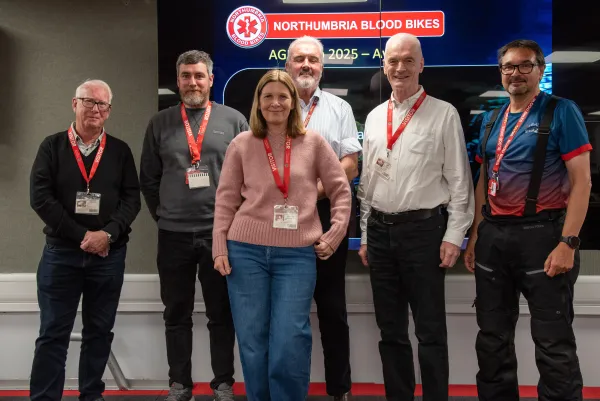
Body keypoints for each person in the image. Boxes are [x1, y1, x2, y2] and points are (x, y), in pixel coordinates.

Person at [463, 39, 592, 401]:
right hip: (494, 237)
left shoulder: (560, 111)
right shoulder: (491, 119)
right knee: (492, 339)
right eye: (509, 67)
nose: (515, 73)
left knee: (553, 342)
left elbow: (582, 181)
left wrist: (568, 242)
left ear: (540, 70)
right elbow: (483, 181)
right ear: (500, 72)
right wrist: (475, 236)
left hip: (543, 237)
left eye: (525, 65)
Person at [212, 69, 351, 401]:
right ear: (258, 102)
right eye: (268, 96)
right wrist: (219, 246)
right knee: (252, 339)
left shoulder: (313, 142)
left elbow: (341, 190)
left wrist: (334, 234)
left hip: (297, 255)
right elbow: (226, 198)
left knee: (290, 338)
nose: (275, 103)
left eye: (282, 97)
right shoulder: (241, 144)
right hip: (245, 251)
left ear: (293, 103)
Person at [357, 33, 474, 401]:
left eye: (408, 60)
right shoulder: (375, 117)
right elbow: (368, 184)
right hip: (380, 233)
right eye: (393, 60)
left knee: (430, 331)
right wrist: (365, 234)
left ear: (421, 65)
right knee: (390, 330)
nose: (400, 67)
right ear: (384, 66)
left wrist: (454, 236)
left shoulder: (443, 113)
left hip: (425, 232)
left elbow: (460, 181)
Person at [140, 50, 248, 401]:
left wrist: (232, 223)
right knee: (176, 313)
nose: (193, 82)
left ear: (211, 80)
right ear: (178, 80)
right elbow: (149, 179)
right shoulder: (160, 123)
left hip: (220, 235)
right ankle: (179, 384)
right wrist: (165, 214)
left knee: (221, 313)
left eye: (199, 76)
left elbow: (250, 177)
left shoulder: (234, 121)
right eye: (186, 76)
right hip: (173, 235)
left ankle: (223, 383)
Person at [29, 79, 141, 401]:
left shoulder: (120, 151)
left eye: (101, 104)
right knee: (53, 333)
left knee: (99, 333)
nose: (95, 108)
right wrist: (83, 236)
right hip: (61, 255)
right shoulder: (52, 147)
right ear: (74, 104)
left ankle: (91, 395)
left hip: (108, 256)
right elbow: (40, 198)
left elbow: (131, 200)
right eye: (88, 101)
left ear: (109, 110)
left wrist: (107, 234)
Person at [285, 35, 362, 401]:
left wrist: (310, 193)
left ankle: (339, 390)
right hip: (280, 216)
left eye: (313, 60)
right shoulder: (272, 103)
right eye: (299, 58)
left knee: (332, 308)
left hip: (327, 212)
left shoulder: (339, 108)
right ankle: (288, 389)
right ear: (287, 65)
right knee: (288, 311)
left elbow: (350, 165)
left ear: (322, 68)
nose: (306, 65)